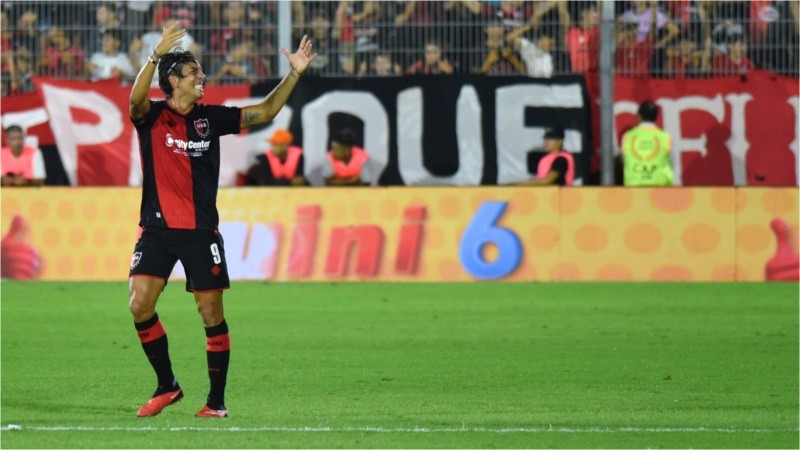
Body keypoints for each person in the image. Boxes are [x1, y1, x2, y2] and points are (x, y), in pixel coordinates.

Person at [127, 22, 316, 418]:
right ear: (173, 80)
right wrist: (154, 55)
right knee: (139, 305)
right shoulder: (152, 117)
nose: (202, 77)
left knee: (211, 314)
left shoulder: (210, 119)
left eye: (200, 71)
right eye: (194, 72)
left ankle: (216, 402)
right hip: (157, 230)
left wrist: (294, 73)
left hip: (200, 233)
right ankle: (168, 385)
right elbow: (134, 101)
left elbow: (265, 111)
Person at [620, 100, 673, 187]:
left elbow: (623, 160)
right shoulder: (665, 137)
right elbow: (672, 163)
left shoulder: (628, 136)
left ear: (639, 116)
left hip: (634, 187)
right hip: (660, 189)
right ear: (656, 117)